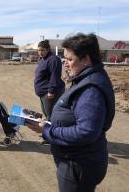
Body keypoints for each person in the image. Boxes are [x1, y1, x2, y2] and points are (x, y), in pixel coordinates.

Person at [26, 33, 115, 192]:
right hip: (75, 162)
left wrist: (47, 130)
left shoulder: (91, 89)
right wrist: (48, 121)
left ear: (86, 59)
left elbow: (86, 132)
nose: (65, 64)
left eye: (69, 59)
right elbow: (72, 116)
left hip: (78, 165)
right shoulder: (86, 79)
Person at [34, 39, 65, 144]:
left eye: (42, 50)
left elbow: (54, 77)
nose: (40, 52)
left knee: (52, 115)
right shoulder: (42, 59)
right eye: (38, 50)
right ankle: (49, 134)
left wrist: (51, 91)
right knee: (47, 115)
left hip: (50, 93)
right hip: (43, 93)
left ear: (47, 49)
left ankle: (52, 138)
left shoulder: (53, 60)